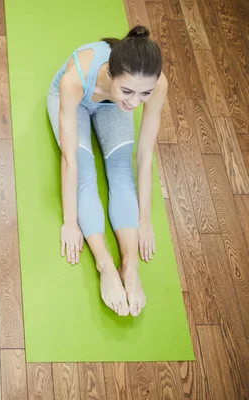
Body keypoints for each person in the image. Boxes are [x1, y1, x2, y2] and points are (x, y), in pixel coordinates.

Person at [47, 25, 167, 317]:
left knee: (120, 168)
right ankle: (106, 265)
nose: (135, 102)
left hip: (110, 107)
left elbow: (144, 155)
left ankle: (130, 266)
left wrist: (144, 218)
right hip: (76, 103)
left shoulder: (154, 84)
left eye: (144, 94)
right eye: (128, 90)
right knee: (86, 170)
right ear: (111, 75)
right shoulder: (74, 80)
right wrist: (70, 222)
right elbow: (70, 160)